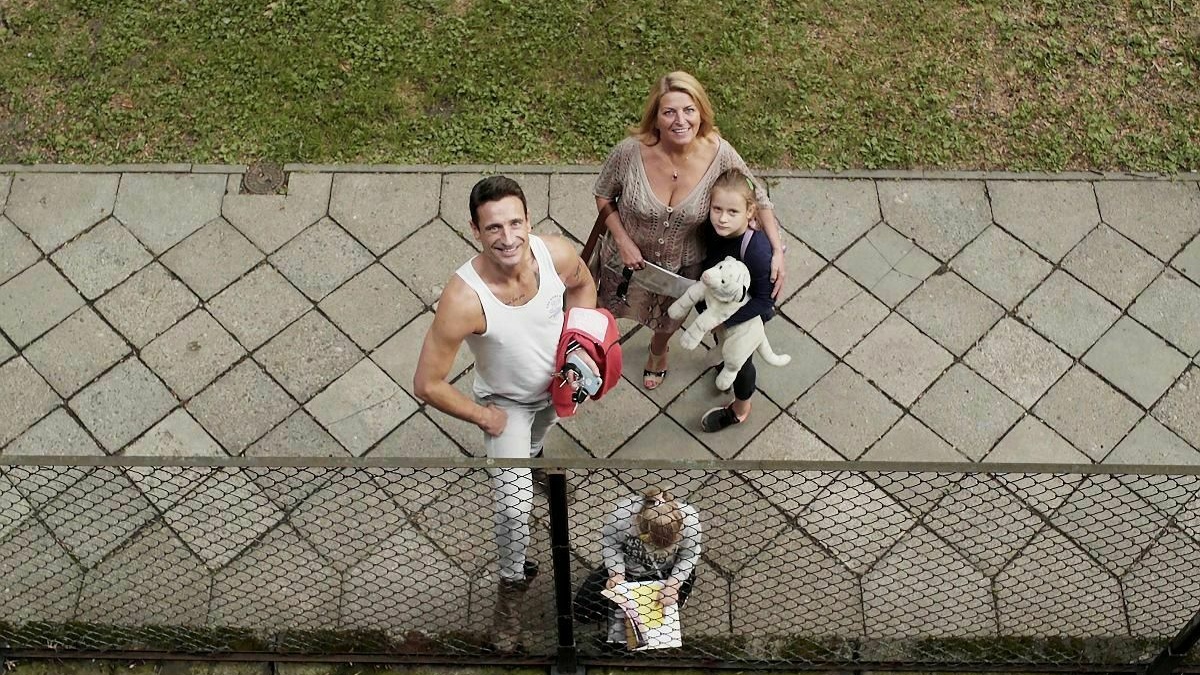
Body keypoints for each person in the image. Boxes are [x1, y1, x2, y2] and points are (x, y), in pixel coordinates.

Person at [412, 175, 597, 652]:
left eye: (516, 222)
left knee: (540, 438)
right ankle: (510, 595)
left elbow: (584, 284)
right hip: (505, 407)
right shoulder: (463, 299)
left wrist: (580, 349)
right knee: (513, 513)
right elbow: (427, 384)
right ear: (476, 230)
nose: (508, 237)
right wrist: (481, 416)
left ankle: (533, 457)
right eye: (494, 227)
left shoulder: (554, 255)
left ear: (529, 220)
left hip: (555, 391)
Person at [592, 71, 787, 390]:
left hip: (682, 268)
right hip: (626, 263)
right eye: (669, 111)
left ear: (701, 113)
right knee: (612, 307)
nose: (680, 120)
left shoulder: (719, 153)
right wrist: (623, 241)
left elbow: (759, 197)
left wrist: (778, 251)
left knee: (670, 316)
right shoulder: (630, 152)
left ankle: (658, 351)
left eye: (689, 110)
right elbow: (603, 193)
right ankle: (600, 350)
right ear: (655, 117)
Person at [697, 168, 778, 432]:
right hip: (719, 307)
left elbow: (765, 302)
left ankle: (741, 409)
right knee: (726, 349)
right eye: (717, 209)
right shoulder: (713, 230)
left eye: (732, 212)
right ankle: (725, 360)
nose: (722, 219)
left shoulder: (757, 251)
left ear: (750, 211)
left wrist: (725, 321)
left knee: (742, 363)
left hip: (744, 317)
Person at [574, 488, 702, 646]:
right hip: (629, 569)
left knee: (661, 617)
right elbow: (610, 543)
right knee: (582, 612)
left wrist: (674, 585)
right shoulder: (622, 516)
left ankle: (679, 594)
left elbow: (688, 556)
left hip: (667, 572)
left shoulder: (690, 521)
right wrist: (616, 574)